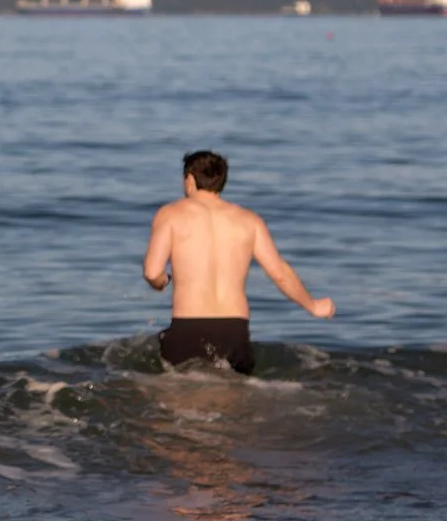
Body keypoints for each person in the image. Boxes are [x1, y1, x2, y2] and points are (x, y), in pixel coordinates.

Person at [142, 149, 334, 375]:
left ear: (190, 180)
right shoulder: (249, 220)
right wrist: (313, 306)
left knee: (182, 398)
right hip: (234, 330)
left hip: (188, 326)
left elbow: (152, 271)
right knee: (234, 400)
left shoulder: (171, 214)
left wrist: (163, 282)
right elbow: (280, 272)